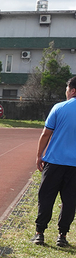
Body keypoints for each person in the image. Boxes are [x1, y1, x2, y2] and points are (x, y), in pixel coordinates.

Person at [32, 76, 76, 247]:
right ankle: (62, 236)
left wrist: (39, 155)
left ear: (72, 91)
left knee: (46, 197)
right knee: (70, 201)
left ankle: (39, 233)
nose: (65, 92)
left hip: (55, 162)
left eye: (66, 89)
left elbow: (45, 134)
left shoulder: (59, 108)